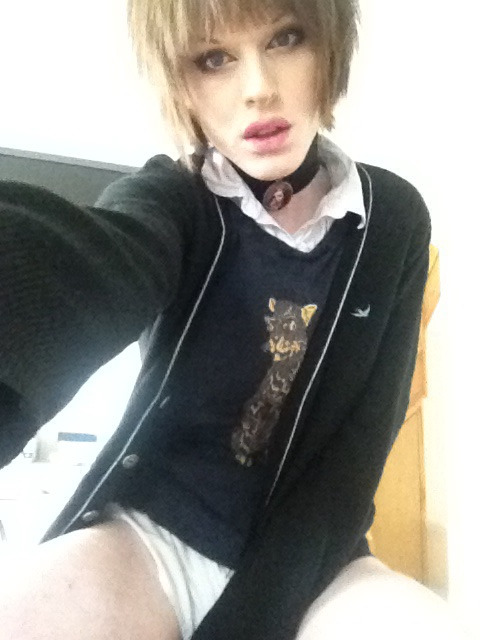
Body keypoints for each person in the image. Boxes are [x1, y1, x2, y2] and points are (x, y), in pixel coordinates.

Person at [0, 0, 473, 639]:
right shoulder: (174, 198)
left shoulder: (394, 217)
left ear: (329, 46)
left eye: (286, 38)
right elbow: (89, 265)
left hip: (317, 558)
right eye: (214, 58)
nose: (258, 89)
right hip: (152, 538)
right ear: (180, 80)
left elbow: (359, 451)